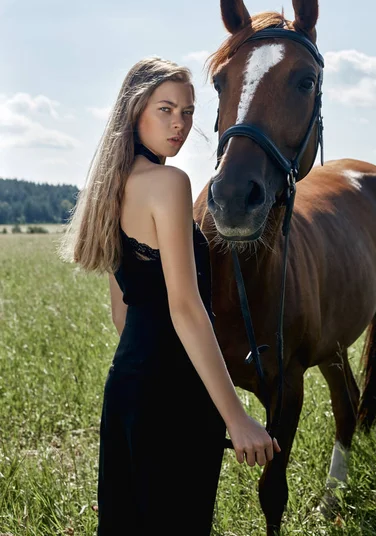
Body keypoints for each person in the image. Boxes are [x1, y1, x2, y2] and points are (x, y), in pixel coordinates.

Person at [58, 57, 280, 535]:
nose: (180, 123)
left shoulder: (110, 186)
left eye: (189, 111)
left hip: (129, 386)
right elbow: (184, 307)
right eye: (166, 109)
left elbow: (124, 312)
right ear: (135, 111)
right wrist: (236, 417)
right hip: (175, 396)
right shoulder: (170, 184)